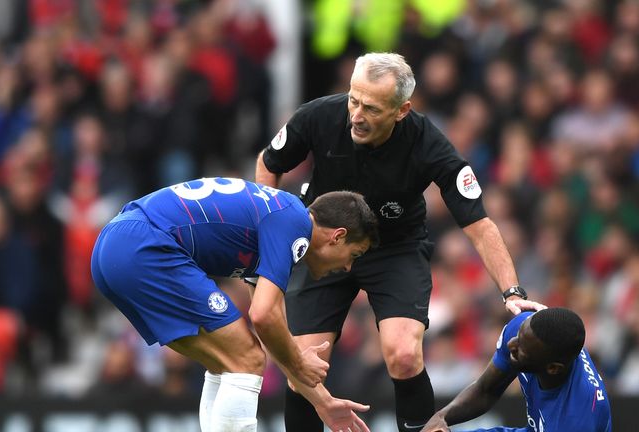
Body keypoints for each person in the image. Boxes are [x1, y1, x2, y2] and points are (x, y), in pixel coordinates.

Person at [255, 52, 546, 432]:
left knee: (404, 354)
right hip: (326, 245)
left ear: (401, 110)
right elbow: (269, 164)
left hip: (395, 249)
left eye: (371, 108)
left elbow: (480, 225)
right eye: (353, 99)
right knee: (302, 366)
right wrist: (271, 238)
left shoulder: (430, 145)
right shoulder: (318, 115)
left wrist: (511, 291)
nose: (356, 115)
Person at [90, 177, 379, 432]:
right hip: (144, 246)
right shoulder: (294, 223)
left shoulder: (276, 220)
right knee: (247, 359)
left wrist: (322, 401)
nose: (348, 268)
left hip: (114, 245)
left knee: (227, 362)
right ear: (337, 236)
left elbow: (272, 332)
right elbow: (264, 316)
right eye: (354, 254)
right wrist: (300, 362)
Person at [422, 308, 612, 432]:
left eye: (523, 350)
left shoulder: (577, 420)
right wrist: (441, 417)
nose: (512, 344)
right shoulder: (525, 329)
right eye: (518, 336)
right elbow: (486, 389)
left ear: (552, 368)